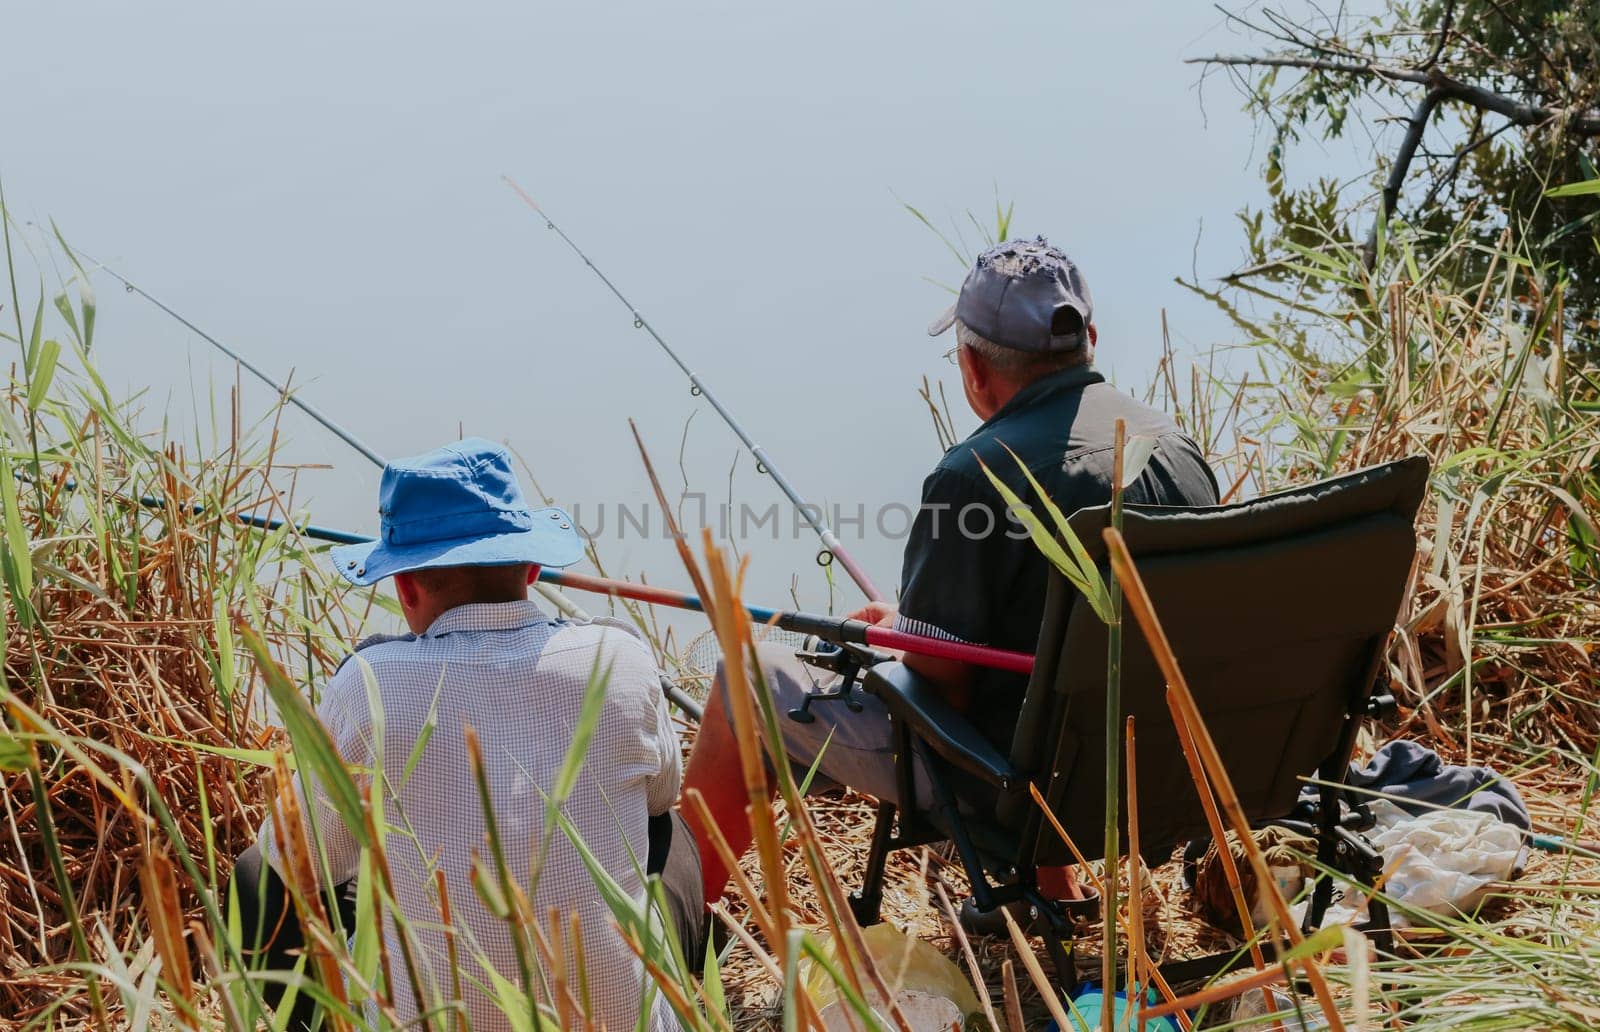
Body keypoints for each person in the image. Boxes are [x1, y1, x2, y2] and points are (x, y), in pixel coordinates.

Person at [682, 237, 1219, 912]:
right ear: (1089, 339)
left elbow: (943, 689)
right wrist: (913, 629)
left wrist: (895, 643)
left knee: (744, 680)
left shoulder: (974, 477)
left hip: (1023, 790)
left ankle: (674, 928)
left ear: (972, 367)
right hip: (1170, 770)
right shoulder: (1174, 447)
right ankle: (1051, 886)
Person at [230, 438, 702, 1031]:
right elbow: (661, 799)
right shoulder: (622, 659)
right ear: (532, 568)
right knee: (669, 829)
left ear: (404, 587)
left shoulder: (371, 684)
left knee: (255, 879)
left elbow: (292, 864)